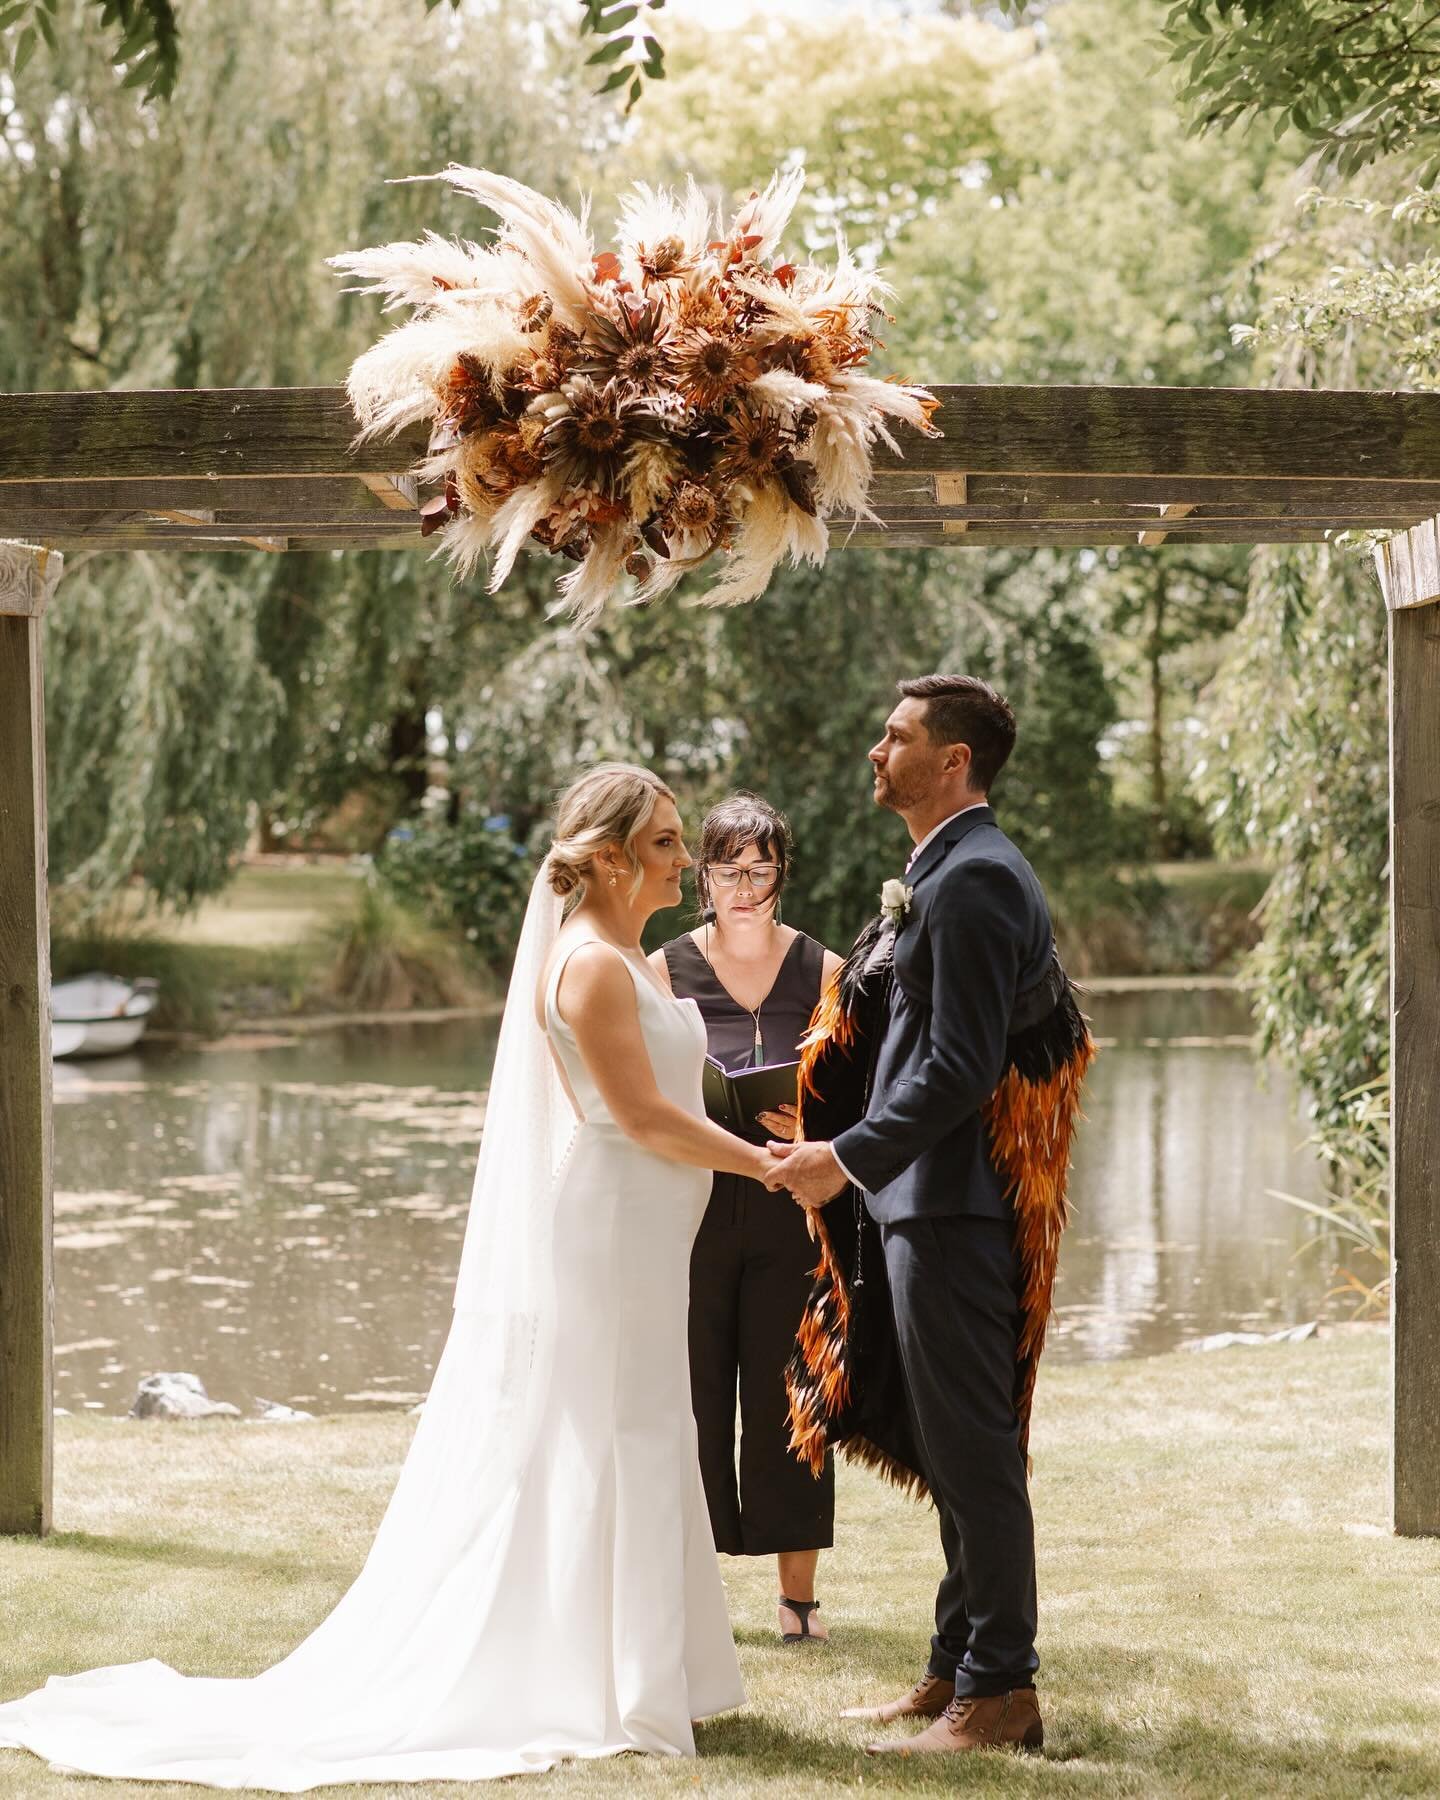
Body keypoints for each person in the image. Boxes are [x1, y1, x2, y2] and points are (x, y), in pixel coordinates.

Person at [0, 763, 769, 1790]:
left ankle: (645, 1669)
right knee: (610, 1429)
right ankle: (601, 1678)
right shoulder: (587, 967)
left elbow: (673, 1091)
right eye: (669, 841)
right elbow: (629, 1116)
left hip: (652, 1227)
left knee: (644, 1425)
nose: (687, 859)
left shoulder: (639, 958)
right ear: (616, 852)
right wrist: (763, 1162)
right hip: (612, 1226)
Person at [767, 676, 1054, 1758]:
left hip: (952, 1211)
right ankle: (954, 1673)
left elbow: (961, 1067)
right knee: (948, 1448)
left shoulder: (977, 880)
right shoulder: (949, 868)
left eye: (897, 737)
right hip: (918, 1206)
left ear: (955, 765)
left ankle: (1003, 1692)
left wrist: (842, 1159)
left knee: (974, 1451)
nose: (875, 751)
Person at [650, 794, 842, 1646]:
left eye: (761, 869)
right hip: (691, 1204)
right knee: (687, 1397)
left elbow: (858, 1088)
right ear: (703, 876)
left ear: (781, 874)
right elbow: (645, 1085)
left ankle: (797, 1604)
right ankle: (686, 1603)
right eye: (728, 869)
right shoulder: (664, 969)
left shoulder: (825, 968)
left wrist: (815, 1122)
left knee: (790, 1399)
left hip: (790, 1208)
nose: (746, 886)